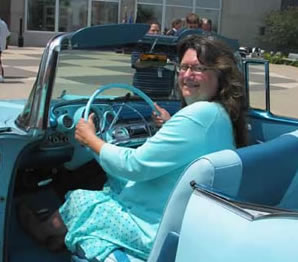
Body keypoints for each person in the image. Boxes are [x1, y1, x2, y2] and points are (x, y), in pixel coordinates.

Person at [17, 34, 247, 261]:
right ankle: (59, 236)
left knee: (81, 200)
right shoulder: (219, 114)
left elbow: (133, 165)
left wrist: (91, 139)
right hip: (184, 219)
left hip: (154, 229)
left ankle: (45, 231)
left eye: (198, 68)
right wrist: (168, 125)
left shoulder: (198, 115)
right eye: (183, 67)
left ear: (220, 75)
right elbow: (187, 145)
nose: (187, 75)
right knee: (110, 185)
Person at [131, 20, 175, 97]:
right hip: (142, 92)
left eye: (158, 31)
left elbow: (174, 63)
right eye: (153, 30)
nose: (155, 33)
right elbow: (137, 63)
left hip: (164, 92)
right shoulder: (140, 44)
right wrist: (161, 60)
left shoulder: (167, 45)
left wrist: (148, 60)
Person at [0, 18, 10, 83]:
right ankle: (1, 74)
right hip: (1, 45)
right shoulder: (3, 23)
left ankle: (1, 75)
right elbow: (8, 35)